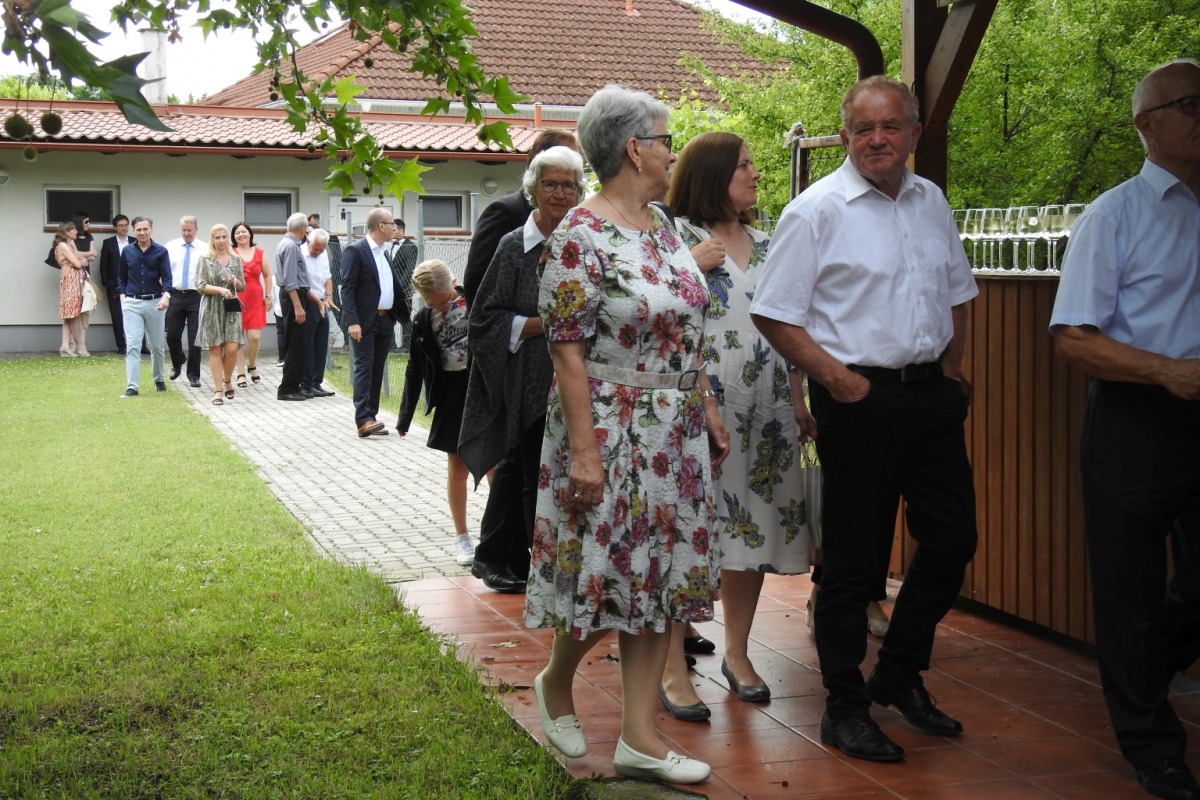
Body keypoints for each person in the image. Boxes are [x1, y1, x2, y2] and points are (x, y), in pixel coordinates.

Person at [750, 75, 979, 764]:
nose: (878, 139)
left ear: (913, 133)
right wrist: (840, 381)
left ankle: (898, 673)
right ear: (845, 136)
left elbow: (958, 292)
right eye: (864, 128)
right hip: (858, 401)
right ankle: (844, 708)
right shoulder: (815, 211)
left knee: (953, 540)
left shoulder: (930, 200)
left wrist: (952, 371)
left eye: (891, 126)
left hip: (930, 398)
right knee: (854, 563)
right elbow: (774, 313)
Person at [525, 85, 728, 785]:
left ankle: (639, 739)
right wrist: (584, 454)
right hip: (609, 429)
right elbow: (566, 352)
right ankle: (557, 678)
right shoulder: (579, 235)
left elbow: (685, 327)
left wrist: (704, 401)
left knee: (662, 578)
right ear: (635, 149)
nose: (673, 153)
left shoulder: (664, 225)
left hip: (675, 431)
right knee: (604, 575)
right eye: (666, 141)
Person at [1049, 59, 1200, 800]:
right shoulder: (1114, 216)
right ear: (1146, 124)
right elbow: (1073, 338)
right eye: (1191, 105)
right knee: (1129, 590)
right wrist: (1167, 371)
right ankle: (1153, 747)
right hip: (1136, 417)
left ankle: (1138, 673)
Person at [655, 131, 816, 721]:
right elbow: (656, 319)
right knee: (690, 531)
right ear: (712, 173)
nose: (755, 174)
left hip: (767, 409)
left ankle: (738, 653)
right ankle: (671, 662)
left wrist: (799, 400)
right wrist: (685, 268)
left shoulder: (770, 243)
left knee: (754, 530)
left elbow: (789, 325)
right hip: (702, 407)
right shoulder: (674, 238)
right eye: (743, 165)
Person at [458, 145, 586, 593]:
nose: (559, 193)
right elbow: (483, 318)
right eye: (550, 184)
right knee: (519, 465)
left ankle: (533, 558)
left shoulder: (583, 243)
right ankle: (494, 556)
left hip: (576, 374)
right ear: (533, 188)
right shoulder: (514, 245)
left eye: (568, 185)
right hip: (526, 375)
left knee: (550, 469)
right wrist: (543, 325)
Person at [398, 260, 478, 566]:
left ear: (453, 283)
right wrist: (405, 416)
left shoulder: (476, 301)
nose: (441, 308)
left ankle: (500, 535)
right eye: (433, 304)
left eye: (444, 301)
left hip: (481, 390)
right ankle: (462, 537)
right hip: (450, 395)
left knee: (495, 465)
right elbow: (415, 367)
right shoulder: (423, 320)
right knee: (457, 467)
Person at [461, 128, 578, 308]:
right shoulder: (505, 211)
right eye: (567, 154)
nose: (559, 194)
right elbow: (477, 283)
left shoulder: (579, 228)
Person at [340, 207, 407, 432]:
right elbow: (347, 288)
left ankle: (372, 416)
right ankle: (363, 419)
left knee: (377, 369)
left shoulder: (384, 252)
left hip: (385, 319)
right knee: (364, 367)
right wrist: (352, 321)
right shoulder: (356, 251)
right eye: (391, 224)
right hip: (364, 321)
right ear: (381, 226)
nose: (395, 228)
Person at [117, 216, 171, 397]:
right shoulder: (127, 251)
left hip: (155, 302)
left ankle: (159, 379)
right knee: (133, 345)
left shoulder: (161, 251)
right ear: (134, 231)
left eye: (145, 229)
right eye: (138, 229)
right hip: (132, 303)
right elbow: (121, 276)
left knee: (156, 345)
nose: (142, 232)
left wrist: (166, 296)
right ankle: (132, 386)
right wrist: (123, 296)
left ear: (151, 230)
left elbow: (167, 277)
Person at [194, 224, 245, 405]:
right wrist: (220, 290)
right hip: (212, 307)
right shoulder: (205, 259)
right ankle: (218, 390)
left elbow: (242, 286)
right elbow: (200, 285)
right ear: (212, 240)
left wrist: (235, 282)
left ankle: (227, 379)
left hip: (230, 308)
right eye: (218, 237)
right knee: (215, 348)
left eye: (224, 237)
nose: (221, 241)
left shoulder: (236, 259)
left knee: (232, 348)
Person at [164, 216, 207, 388]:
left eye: (189, 230)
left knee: (195, 338)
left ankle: (194, 374)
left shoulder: (205, 248)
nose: (186, 233)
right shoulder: (171, 246)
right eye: (183, 230)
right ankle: (178, 360)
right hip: (176, 295)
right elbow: (165, 271)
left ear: (196, 229)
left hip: (197, 295)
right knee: (172, 334)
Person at [275, 212, 311, 401]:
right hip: (293, 296)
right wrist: (298, 306)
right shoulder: (290, 247)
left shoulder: (287, 244)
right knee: (295, 344)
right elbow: (290, 280)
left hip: (293, 295)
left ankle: (294, 385)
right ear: (303, 228)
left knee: (298, 343)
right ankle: (287, 388)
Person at [231, 222, 272, 387]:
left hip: (255, 298)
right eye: (237, 233)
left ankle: (252, 364)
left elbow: (267, 276)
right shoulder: (230, 252)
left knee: (255, 337)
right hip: (236, 298)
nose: (241, 235)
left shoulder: (260, 253)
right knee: (237, 338)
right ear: (234, 237)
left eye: (243, 232)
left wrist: (268, 296)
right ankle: (240, 373)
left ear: (250, 234)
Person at [302, 228, 336, 398]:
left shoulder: (322, 255)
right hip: (308, 302)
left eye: (322, 249)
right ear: (308, 241)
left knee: (321, 344)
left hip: (322, 302)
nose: (319, 252)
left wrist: (328, 296)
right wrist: (317, 300)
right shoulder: (300, 254)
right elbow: (301, 284)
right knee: (308, 345)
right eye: (316, 248)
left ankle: (317, 382)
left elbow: (328, 278)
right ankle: (306, 383)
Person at [53, 221, 90, 357]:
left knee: (71, 314)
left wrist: (82, 260)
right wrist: (82, 261)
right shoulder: (63, 245)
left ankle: (65, 346)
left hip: (75, 278)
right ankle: (79, 346)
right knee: (73, 314)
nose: (76, 231)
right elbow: (78, 263)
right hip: (70, 280)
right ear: (66, 232)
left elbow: (83, 259)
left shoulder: (70, 245)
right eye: (73, 230)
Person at [98, 214, 132, 354]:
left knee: (136, 316)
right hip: (115, 286)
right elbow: (103, 266)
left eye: (126, 225)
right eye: (121, 225)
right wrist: (109, 283)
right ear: (115, 227)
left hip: (134, 285)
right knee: (118, 317)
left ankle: (140, 345)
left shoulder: (135, 241)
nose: (124, 228)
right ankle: (121, 346)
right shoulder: (108, 243)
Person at [386, 218, 418, 351]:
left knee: (405, 316)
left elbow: (409, 269)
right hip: (390, 288)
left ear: (401, 230)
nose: (391, 232)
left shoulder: (410, 246)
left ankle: (407, 345)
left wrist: (399, 286)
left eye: (393, 229)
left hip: (404, 289)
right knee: (389, 314)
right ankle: (391, 345)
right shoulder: (392, 246)